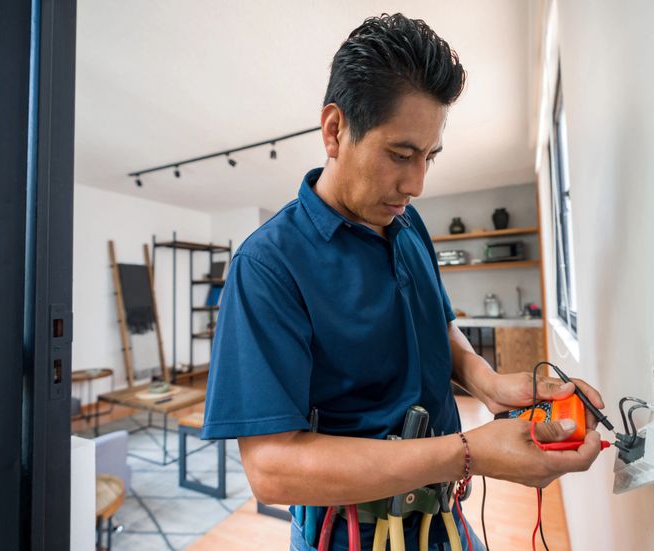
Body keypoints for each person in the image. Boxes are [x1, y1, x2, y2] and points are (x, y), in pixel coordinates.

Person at [202, 13, 604, 550]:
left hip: (443, 517)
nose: (416, 183)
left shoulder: (406, 221)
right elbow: (272, 470)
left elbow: (435, 322)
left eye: (429, 157)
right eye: (401, 154)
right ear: (334, 130)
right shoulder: (268, 264)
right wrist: (471, 451)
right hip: (348, 536)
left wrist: (488, 382)